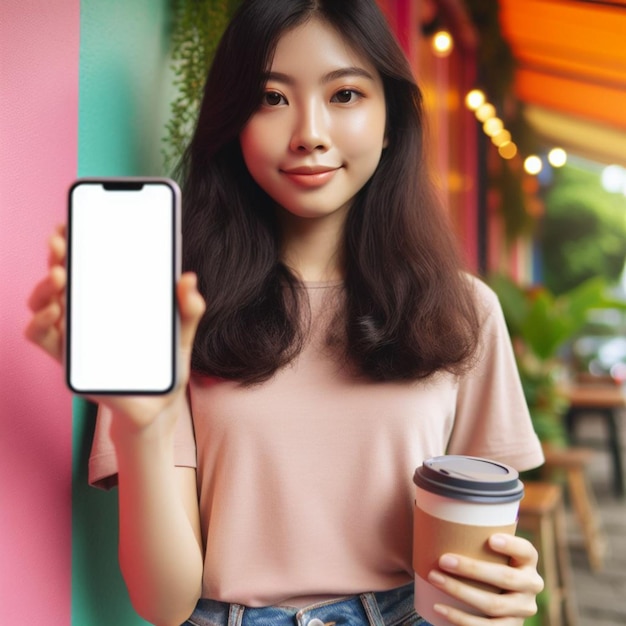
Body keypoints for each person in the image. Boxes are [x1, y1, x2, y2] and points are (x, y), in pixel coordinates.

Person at [26, 1, 545, 625]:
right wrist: (142, 424)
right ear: (233, 122)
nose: (310, 132)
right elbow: (164, 604)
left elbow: (483, 558)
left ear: (390, 121)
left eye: (346, 94)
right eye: (272, 98)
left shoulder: (463, 312)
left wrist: (502, 599)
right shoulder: (175, 316)